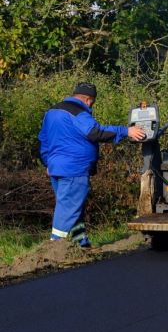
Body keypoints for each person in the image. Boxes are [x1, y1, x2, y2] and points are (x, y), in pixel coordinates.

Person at [38, 82, 146, 247]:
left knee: (74, 208)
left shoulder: (51, 112)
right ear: (88, 100)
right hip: (75, 168)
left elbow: (44, 140)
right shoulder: (78, 113)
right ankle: (54, 247)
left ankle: (81, 244)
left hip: (55, 167)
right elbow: (95, 132)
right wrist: (126, 131)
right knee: (68, 208)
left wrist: (47, 161)